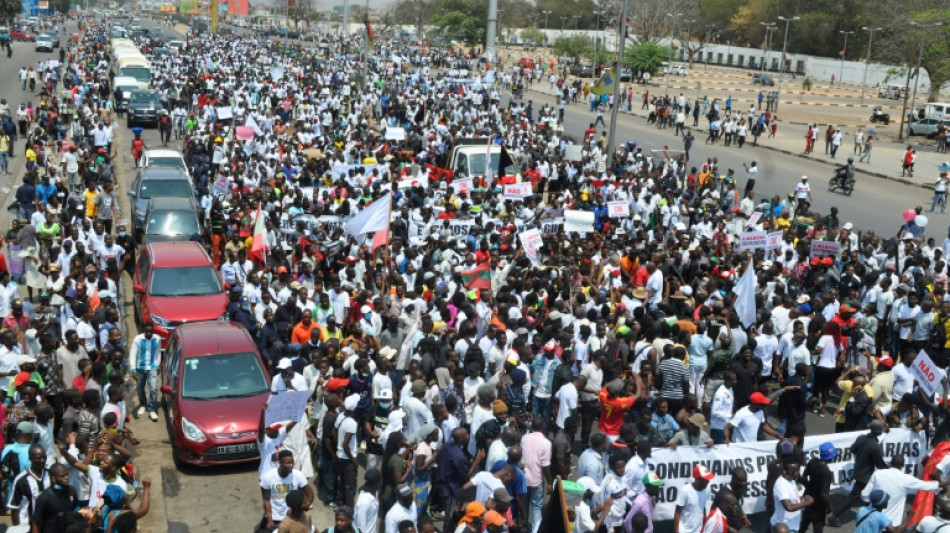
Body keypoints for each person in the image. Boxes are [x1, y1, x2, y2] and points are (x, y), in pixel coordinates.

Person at [260, 450, 313, 531]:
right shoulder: (268, 477)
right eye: (287, 463)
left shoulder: (298, 475)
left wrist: (306, 505)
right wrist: (269, 520)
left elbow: (310, 493)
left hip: (293, 516)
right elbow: (266, 499)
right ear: (279, 462)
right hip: (275, 517)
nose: (291, 465)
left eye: (292, 462)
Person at [800, 442, 836, 533]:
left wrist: (809, 487)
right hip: (818, 506)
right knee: (818, 527)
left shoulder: (813, 461)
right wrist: (829, 507)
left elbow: (803, 477)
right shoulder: (826, 472)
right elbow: (823, 493)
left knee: (803, 525)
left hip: (807, 499)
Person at [771, 462, 812, 533]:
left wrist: (802, 498)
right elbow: (789, 507)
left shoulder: (791, 480)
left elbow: (792, 497)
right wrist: (807, 502)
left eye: (797, 470)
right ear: (784, 470)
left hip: (792, 526)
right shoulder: (781, 484)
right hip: (783, 529)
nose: (796, 473)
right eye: (793, 471)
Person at [673, 465, 714, 533]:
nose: (708, 482)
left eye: (708, 479)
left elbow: (703, 507)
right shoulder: (685, 490)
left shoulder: (707, 489)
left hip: (698, 530)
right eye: (705, 480)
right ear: (697, 479)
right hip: (684, 531)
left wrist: (703, 527)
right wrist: (676, 532)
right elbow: (677, 512)